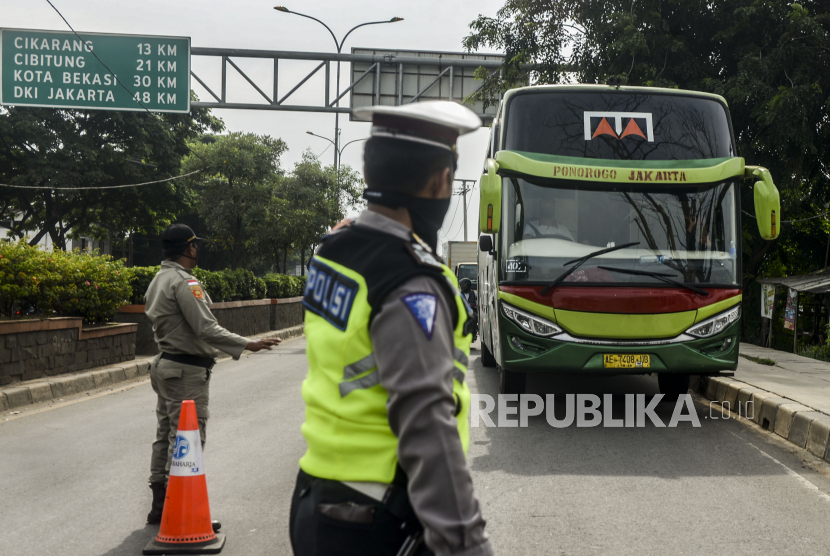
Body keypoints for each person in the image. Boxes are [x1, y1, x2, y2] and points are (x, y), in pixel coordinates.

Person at [289, 101, 494, 556]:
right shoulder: (410, 282)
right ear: (441, 181)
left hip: (316, 502)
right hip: (375, 519)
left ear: (367, 176)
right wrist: (465, 544)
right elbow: (427, 424)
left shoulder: (334, 251)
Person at [144, 223, 281, 525]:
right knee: (188, 439)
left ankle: (160, 506)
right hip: (186, 371)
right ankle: (179, 511)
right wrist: (248, 343)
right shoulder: (184, 282)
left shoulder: (158, 279)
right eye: (195, 246)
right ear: (189, 248)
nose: (197, 251)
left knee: (166, 436)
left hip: (166, 366)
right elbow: (205, 328)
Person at [459, 278, 478, 342]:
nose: (462, 287)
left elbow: (478, 303)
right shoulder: (459, 294)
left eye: (463, 285)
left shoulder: (474, 293)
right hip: (462, 312)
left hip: (472, 311)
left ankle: (474, 332)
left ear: (468, 285)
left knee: (474, 317)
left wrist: (475, 305)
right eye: (461, 285)